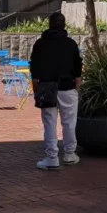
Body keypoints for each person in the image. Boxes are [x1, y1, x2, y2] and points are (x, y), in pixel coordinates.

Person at [29, 12, 83, 170]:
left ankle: (52, 157)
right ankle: (70, 155)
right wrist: (77, 83)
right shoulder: (70, 44)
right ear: (64, 25)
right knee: (69, 122)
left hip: (46, 87)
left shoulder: (40, 44)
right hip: (68, 86)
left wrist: (35, 86)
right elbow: (77, 66)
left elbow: (34, 67)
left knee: (49, 123)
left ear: (49, 24)